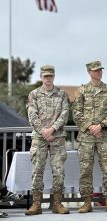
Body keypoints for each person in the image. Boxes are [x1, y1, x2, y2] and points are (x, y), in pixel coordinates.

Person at [73, 60, 107, 213]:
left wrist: (101, 126)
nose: (99, 72)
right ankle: (87, 202)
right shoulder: (81, 91)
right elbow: (76, 113)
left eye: (100, 70)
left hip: (104, 135)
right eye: (96, 70)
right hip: (86, 137)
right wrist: (91, 127)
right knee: (85, 170)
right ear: (89, 72)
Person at [25, 65, 70, 215]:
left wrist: (52, 129)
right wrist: (44, 132)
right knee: (37, 171)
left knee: (59, 171)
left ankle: (57, 204)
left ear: (54, 77)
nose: (48, 78)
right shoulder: (34, 94)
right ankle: (36, 204)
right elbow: (32, 115)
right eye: (45, 76)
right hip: (39, 138)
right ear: (41, 77)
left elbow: (65, 114)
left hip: (57, 138)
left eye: (50, 76)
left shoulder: (62, 94)